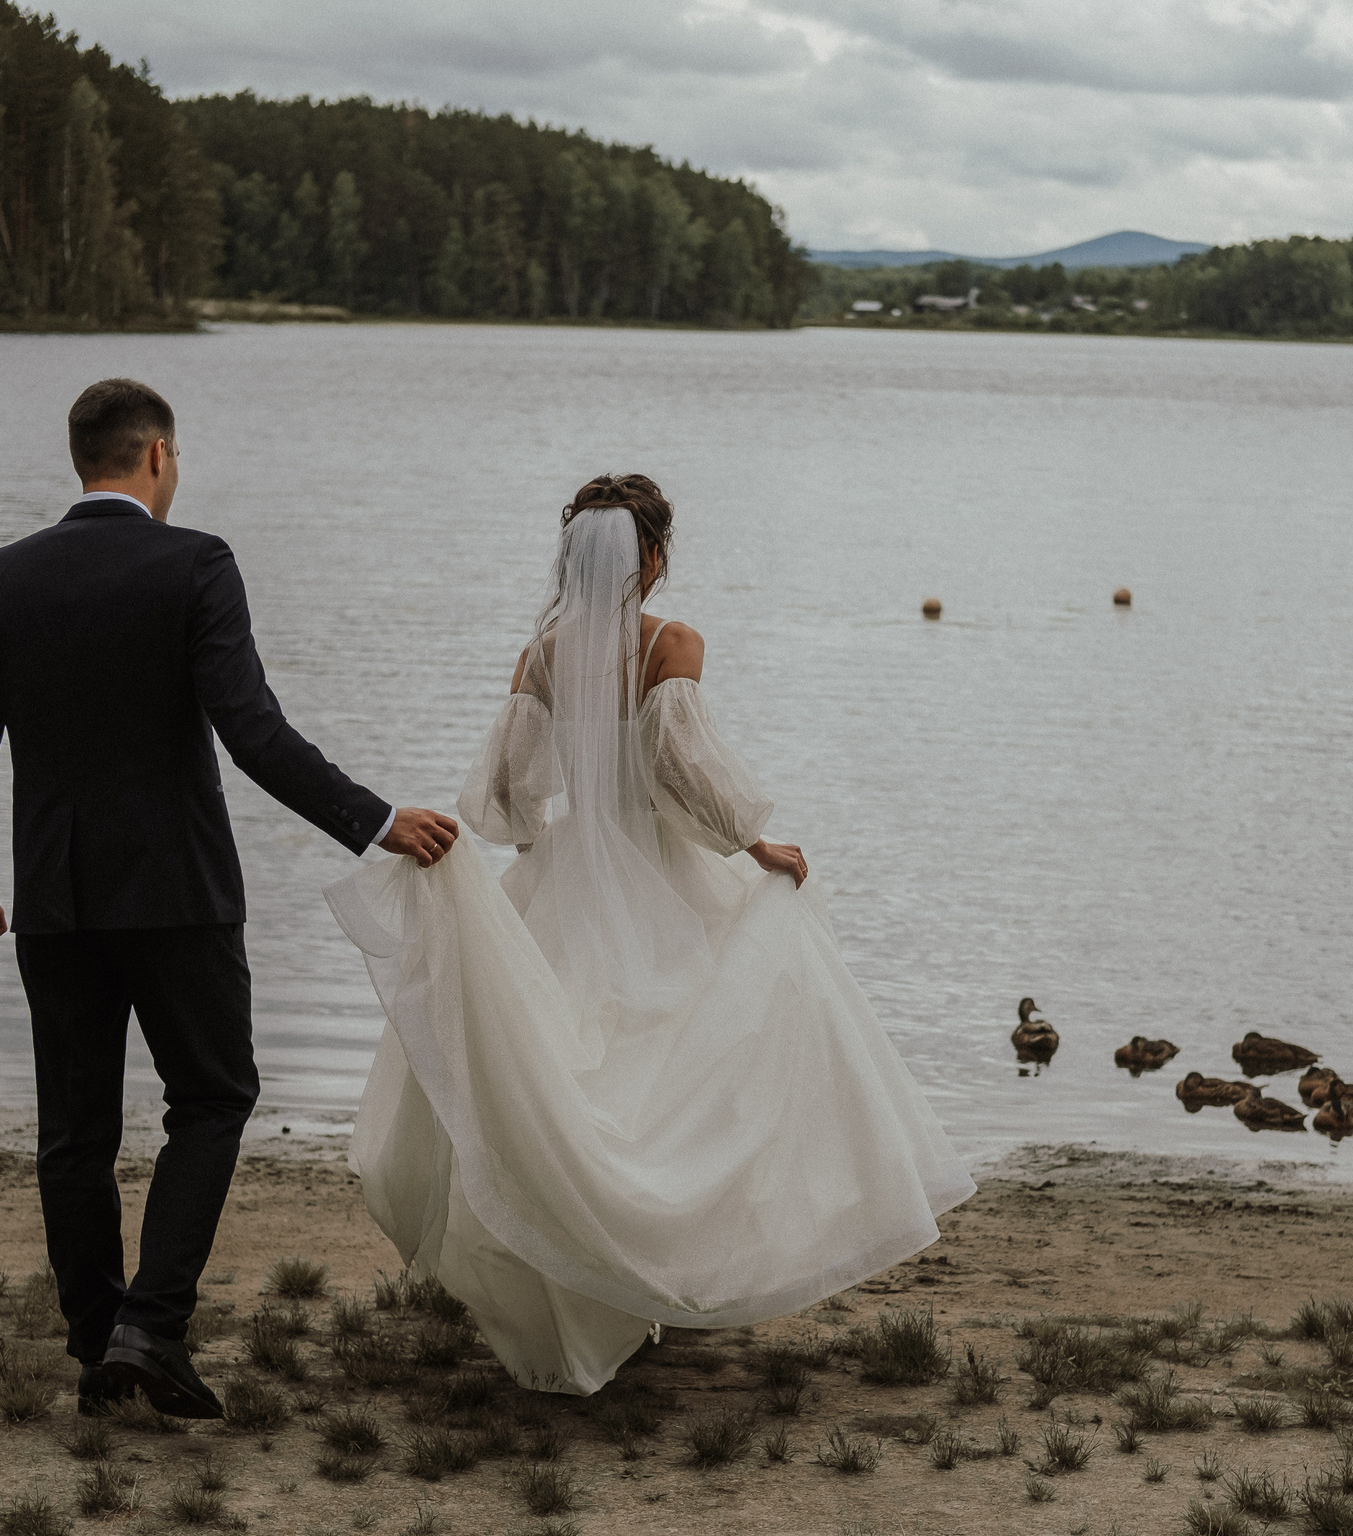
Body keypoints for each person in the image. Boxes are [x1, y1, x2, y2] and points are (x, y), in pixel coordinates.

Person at [327, 473, 972, 1395]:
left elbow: (505, 799)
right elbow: (682, 770)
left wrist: (547, 834)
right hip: (658, 875)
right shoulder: (671, 644)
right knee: (678, 1074)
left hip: (563, 877)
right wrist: (754, 846)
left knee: (555, 1079)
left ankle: (583, 1289)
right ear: (655, 558)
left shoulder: (541, 657)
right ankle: (663, 1275)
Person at [0, 377, 459, 1418]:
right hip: (177, 894)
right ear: (158, 456)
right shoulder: (194, 563)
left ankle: (100, 1346)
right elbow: (250, 729)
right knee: (213, 1098)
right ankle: (151, 1325)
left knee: (74, 1132)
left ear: (81, 457)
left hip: (57, 899)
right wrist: (375, 819)